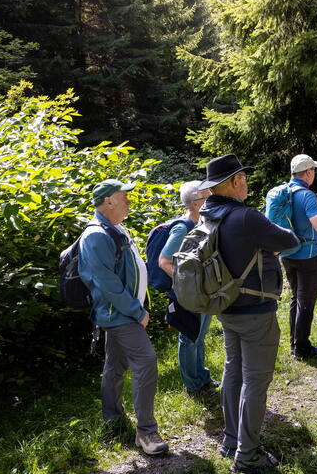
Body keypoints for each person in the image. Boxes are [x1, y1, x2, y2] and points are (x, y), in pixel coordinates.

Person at [197, 153, 300, 474]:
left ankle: (230, 440)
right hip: (255, 309)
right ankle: (248, 454)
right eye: (243, 177)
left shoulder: (207, 213)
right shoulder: (246, 217)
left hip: (226, 306)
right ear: (234, 182)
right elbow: (290, 241)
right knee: (255, 380)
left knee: (234, 371)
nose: (246, 183)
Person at [79, 178, 168, 456]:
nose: (129, 202)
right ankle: (146, 432)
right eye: (124, 197)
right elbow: (107, 283)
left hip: (122, 310)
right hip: (118, 313)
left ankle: (112, 417)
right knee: (146, 360)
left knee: (114, 365)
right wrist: (136, 310)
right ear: (108, 202)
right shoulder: (96, 235)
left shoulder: (113, 228)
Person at [157, 181, 217, 396]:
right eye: (206, 198)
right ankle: (193, 386)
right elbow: (164, 261)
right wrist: (189, 283)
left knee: (199, 337)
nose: (211, 201)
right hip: (188, 294)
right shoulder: (182, 228)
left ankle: (202, 377)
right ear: (193, 204)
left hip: (202, 292)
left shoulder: (202, 224)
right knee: (189, 338)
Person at [280, 154, 317, 360]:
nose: (314, 174)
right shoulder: (307, 195)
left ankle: (295, 342)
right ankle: (302, 348)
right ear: (308, 172)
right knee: (305, 302)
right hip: (308, 256)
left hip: (288, 254)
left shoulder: (285, 192)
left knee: (296, 299)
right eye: (314, 171)